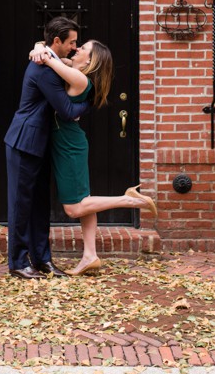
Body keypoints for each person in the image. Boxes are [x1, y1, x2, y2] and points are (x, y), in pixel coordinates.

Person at [32, 39, 158, 276]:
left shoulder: (79, 78)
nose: (76, 49)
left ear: (90, 61)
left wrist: (42, 51)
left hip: (68, 145)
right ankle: (90, 256)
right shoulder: (75, 72)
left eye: (83, 49)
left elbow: (48, 59)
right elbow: (46, 51)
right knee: (85, 199)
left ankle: (130, 200)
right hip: (71, 142)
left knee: (73, 208)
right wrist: (39, 45)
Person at [3, 16, 91, 280]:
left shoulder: (48, 59)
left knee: (39, 205)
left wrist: (38, 46)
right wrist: (92, 101)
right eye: (71, 42)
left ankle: (42, 260)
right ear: (56, 41)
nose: (74, 48)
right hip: (24, 142)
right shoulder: (43, 69)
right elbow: (65, 110)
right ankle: (18, 262)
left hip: (40, 144)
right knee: (20, 206)